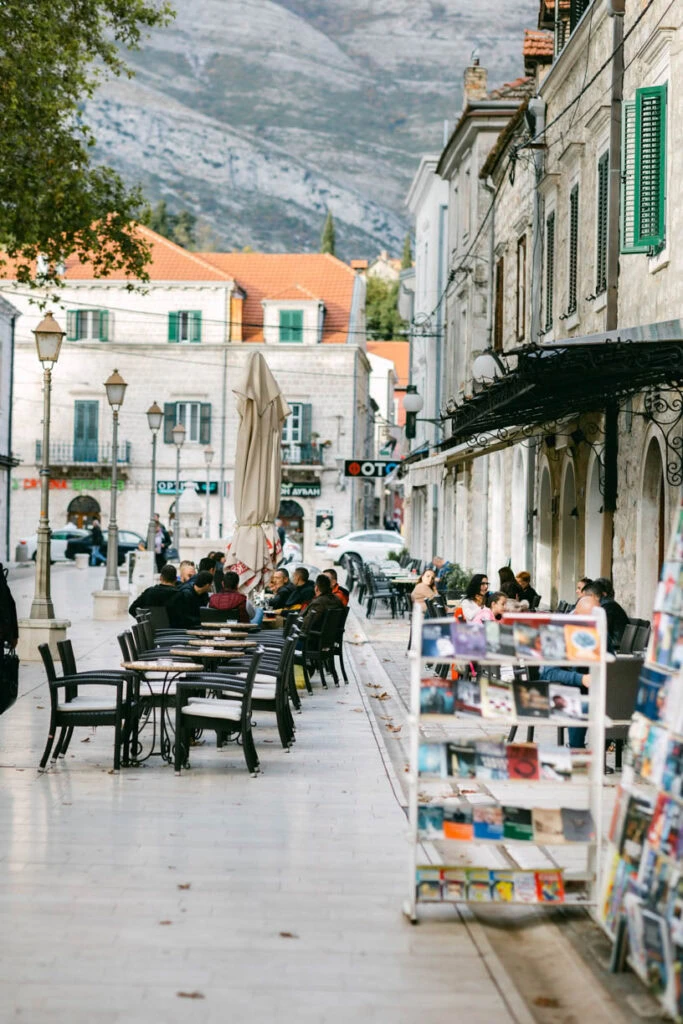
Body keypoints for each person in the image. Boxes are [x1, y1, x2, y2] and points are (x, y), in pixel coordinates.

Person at [540, 593, 601, 748]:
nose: (593, 625)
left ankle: (603, 749)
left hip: (596, 688)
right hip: (564, 689)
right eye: (589, 621)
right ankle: (576, 749)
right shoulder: (557, 631)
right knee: (583, 705)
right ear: (577, 615)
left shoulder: (599, 627)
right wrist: (581, 679)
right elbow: (548, 672)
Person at [584, 578, 629, 651]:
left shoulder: (607, 607)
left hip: (614, 647)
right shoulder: (605, 605)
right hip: (611, 645)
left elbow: (600, 631)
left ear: (592, 596)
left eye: (585, 598)